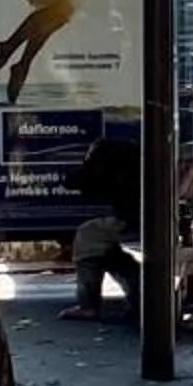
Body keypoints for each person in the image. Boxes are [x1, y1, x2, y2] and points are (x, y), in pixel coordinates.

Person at [61, 131, 142, 320]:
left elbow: (75, 181)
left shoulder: (109, 161)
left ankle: (87, 303)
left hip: (134, 222)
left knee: (87, 236)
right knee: (115, 255)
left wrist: (88, 161)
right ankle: (139, 299)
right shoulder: (136, 158)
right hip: (149, 219)